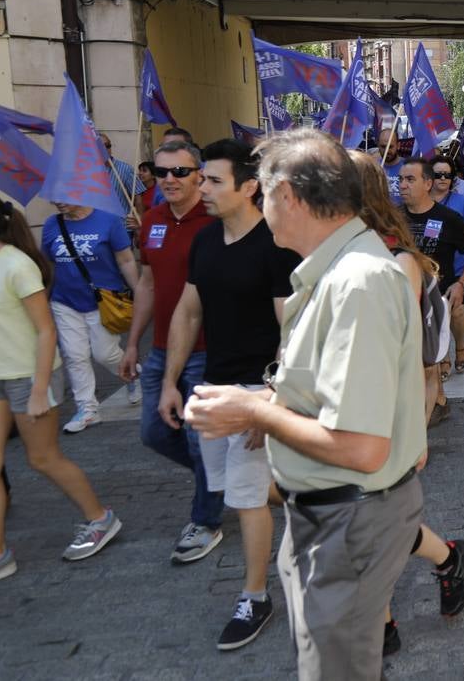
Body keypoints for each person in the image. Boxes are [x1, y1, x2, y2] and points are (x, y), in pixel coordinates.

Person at [183, 129, 425, 681]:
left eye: (263, 192)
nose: (261, 206)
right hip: (336, 515)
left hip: (349, 518)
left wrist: (253, 411)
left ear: (287, 195)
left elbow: (361, 448)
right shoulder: (339, 274)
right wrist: (269, 399)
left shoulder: (356, 283)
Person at [156, 139, 298, 650]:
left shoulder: (275, 245)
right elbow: (188, 312)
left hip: (255, 388)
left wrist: (271, 403)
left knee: (244, 498)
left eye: (213, 180)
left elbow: (292, 331)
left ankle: (255, 597)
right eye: (203, 179)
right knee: (250, 491)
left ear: (249, 187)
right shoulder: (205, 242)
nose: (201, 187)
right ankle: (328, 498)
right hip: (213, 385)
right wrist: (172, 382)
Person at [0, 186, 122, 596]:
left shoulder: (16, 265)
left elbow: (46, 330)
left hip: (28, 377)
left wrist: (41, 389)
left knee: (43, 458)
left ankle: (100, 519)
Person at [348, 152, 464, 655]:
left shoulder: (394, 258)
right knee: (368, 519)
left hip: (376, 415)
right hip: (342, 413)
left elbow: (403, 356)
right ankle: (444, 562)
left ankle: (381, 623)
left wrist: (413, 430)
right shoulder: (328, 253)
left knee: (369, 520)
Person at [119, 140, 225, 564]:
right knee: (155, 433)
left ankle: (206, 519)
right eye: (161, 171)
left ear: (199, 174)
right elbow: (146, 283)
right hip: (161, 347)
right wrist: (132, 342)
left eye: (180, 172)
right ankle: (221, 479)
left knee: (201, 442)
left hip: (205, 348)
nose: (169, 180)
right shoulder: (153, 219)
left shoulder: (216, 219)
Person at [43, 199, 141, 432]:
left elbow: (125, 259)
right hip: (64, 300)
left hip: (103, 300)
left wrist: (139, 291)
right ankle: (87, 409)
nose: (57, 202)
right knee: (75, 355)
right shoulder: (51, 224)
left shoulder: (108, 220)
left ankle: (134, 374)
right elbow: (48, 264)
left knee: (104, 354)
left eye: (63, 195)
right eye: (53, 197)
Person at [399, 157, 464, 425]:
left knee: (427, 363)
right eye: (401, 179)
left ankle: (421, 425)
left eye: (410, 179)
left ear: (427, 183)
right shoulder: (394, 218)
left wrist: (462, 283)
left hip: (435, 301)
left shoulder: (448, 218)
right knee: (420, 362)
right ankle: (439, 402)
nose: (403, 185)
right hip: (402, 301)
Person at [432, 154, 464, 380]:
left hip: (460, 269)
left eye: (447, 175)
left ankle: (460, 345)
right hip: (432, 270)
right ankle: (443, 357)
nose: (443, 179)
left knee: (457, 312)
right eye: (438, 174)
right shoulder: (422, 202)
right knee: (438, 316)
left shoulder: (461, 203)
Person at [100, 132, 145, 219]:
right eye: (101, 146)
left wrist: (140, 223)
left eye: (108, 146)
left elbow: (138, 198)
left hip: (123, 225)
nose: (106, 149)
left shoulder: (125, 169)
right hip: (99, 226)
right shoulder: (87, 172)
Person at [378, 127, 406, 205]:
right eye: (383, 147)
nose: (387, 151)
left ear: (398, 145)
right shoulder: (372, 167)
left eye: (390, 147)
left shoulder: (408, 167)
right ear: (378, 146)